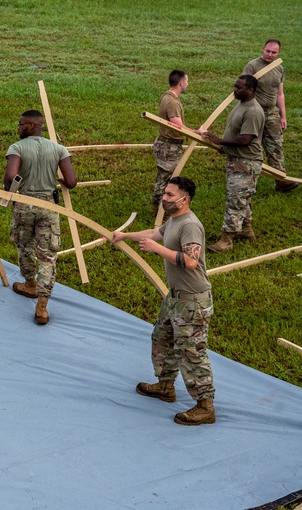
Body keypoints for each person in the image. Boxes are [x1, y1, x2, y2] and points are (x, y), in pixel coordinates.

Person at [112, 176, 216, 425]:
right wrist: (125, 235)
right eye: (165, 194)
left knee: (191, 352)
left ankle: (205, 406)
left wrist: (157, 250)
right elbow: (153, 233)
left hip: (192, 301)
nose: (164, 198)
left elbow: (191, 262)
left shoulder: (190, 225)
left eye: (170, 195)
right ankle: (165, 386)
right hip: (175, 297)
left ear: (184, 199)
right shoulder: (174, 220)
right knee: (162, 338)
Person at [4, 110, 77, 325]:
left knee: (24, 246)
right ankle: (42, 307)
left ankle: (30, 284)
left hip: (25, 204)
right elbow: (71, 181)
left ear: (33, 126)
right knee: (48, 255)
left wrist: (8, 188)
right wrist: (59, 181)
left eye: (21, 124)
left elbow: (10, 176)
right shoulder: (58, 149)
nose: (18, 128)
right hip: (49, 205)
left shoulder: (17, 148)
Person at [199, 76, 265, 253]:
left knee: (235, 200)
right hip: (237, 160)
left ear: (250, 90)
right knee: (243, 197)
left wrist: (220, 141)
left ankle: (227, 240)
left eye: (239, 88)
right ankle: (246, 230)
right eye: (235, 86)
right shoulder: (241, 104)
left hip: (246, 163)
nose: (235, 90)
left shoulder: (253, 111)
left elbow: (246, 139)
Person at [242, 39, 295, 192]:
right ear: (262, 49)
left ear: (279, 53)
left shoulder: (279, 69)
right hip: (254, 111)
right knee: (252, 146)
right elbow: (242, 88)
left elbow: (280, 94)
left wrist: (283, 116)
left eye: (274, 52)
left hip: (271, 112)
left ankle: (281, 181)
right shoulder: (252, 66)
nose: (270, 55)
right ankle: (247, 182)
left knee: (276, 146)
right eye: (267, 51)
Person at [151, 70, 189, 217]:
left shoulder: (167, 96)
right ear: (180, 83)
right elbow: (177, 125)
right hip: (169, 147)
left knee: (162, 177)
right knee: (166, 180)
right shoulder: (172, 101)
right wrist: (196, 132)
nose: (187, 84)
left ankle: (157, 209)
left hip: (167, 145)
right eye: (186, 81)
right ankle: (162, 212)